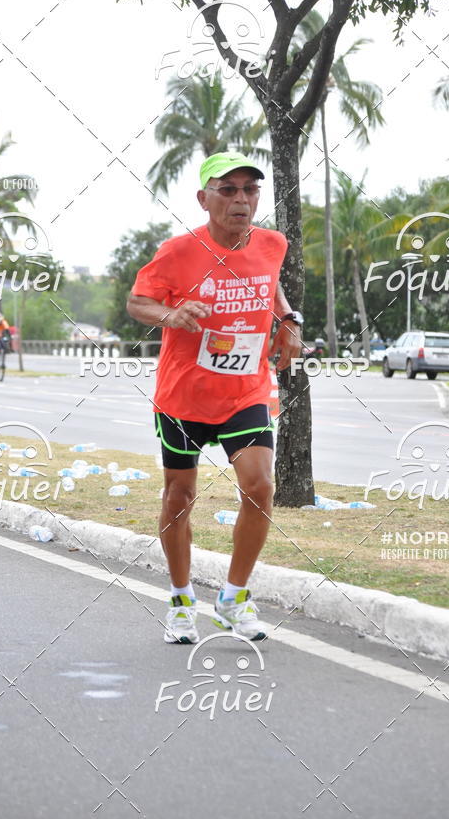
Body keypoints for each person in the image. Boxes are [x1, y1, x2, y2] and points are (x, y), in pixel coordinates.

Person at [127, 151, 303, 644]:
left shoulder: (273, 243)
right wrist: (171, 315)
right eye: (228, 190)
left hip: (244, 391)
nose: (241, 200)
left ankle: (232, 597)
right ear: (204, 199)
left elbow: (270, 285)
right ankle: (181, 599)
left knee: (260, 487)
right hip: (183, 396)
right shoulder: (178, 252)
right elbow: (137, 301)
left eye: (250, 190)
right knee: (179, 497)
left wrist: (288, 320)